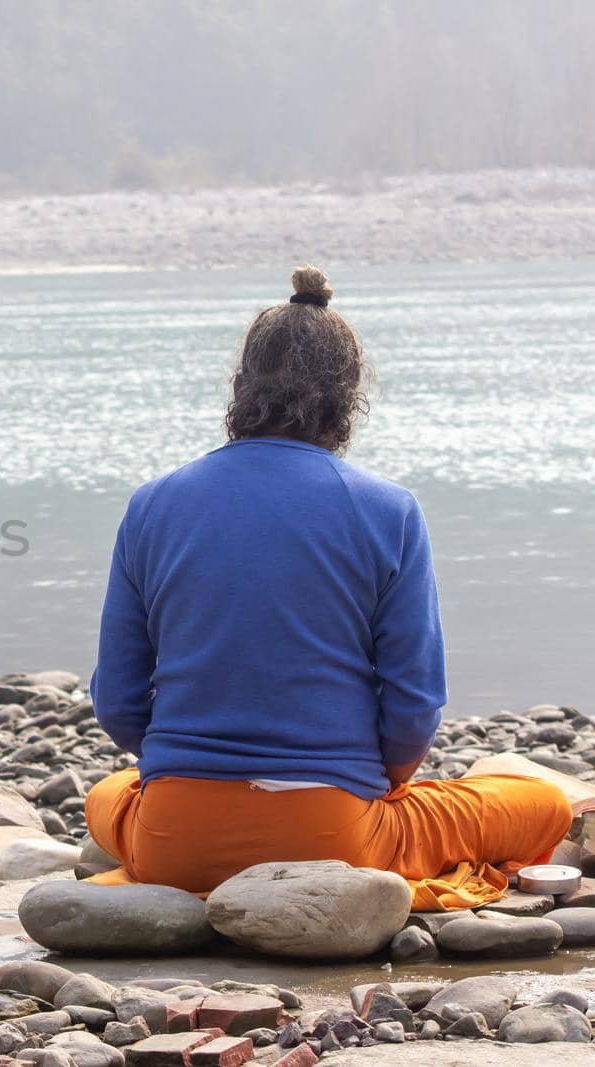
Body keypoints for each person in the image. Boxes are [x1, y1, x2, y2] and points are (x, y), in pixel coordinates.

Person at [85, 266, 573, 910]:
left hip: (174, 840)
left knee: (106, 796)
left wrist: (187, 774)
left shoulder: (152, 504)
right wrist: (387, 784)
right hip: (333, 838)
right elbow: (414, 703)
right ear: (348, 397)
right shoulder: (388, 509)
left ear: (240, 387)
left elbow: (118, 702)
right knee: (540, 801)